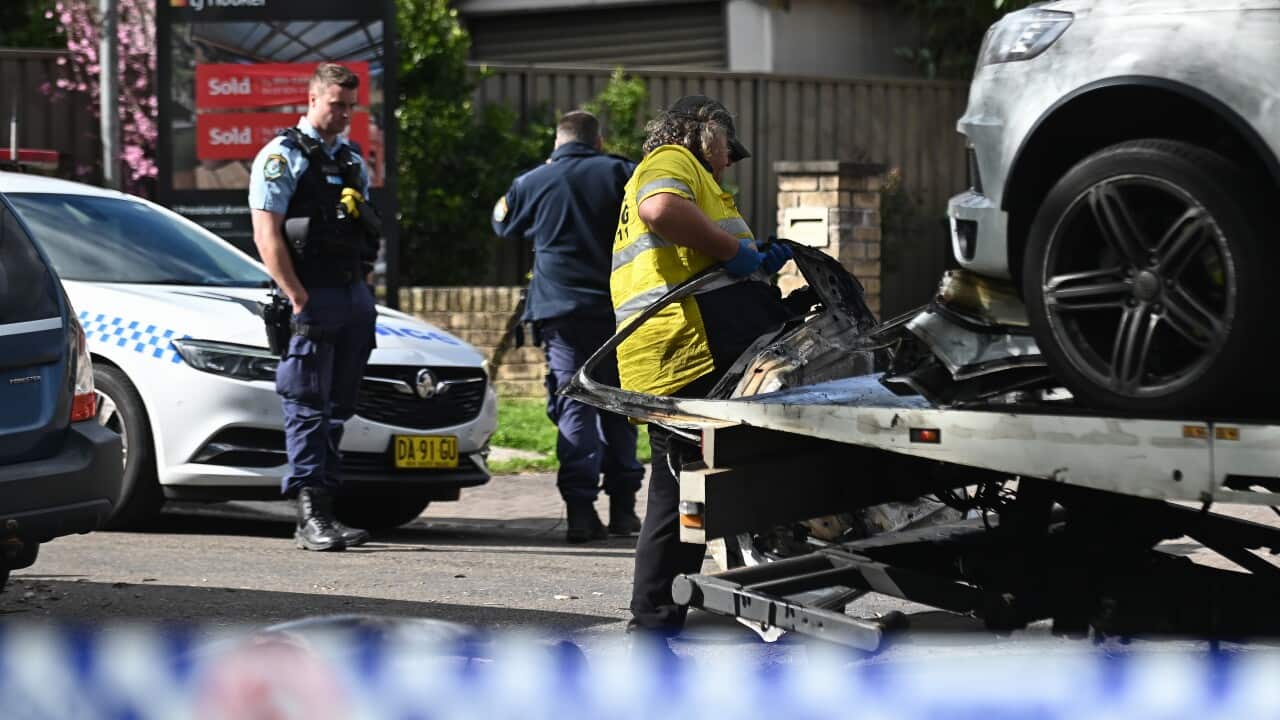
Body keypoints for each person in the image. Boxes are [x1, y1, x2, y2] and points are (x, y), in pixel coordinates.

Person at [610, 95, 793, 635]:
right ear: (706, 131)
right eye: (728, 149)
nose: (730, 161)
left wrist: (752, 257)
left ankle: (670, 611)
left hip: (686, 345)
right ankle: (654, 619)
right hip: (686, 345)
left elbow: (700, 254)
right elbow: (661, 210)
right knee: (682, 481)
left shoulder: (698, 180)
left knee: (696, 479)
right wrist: (735, 254)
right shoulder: (672, 159)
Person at [492, 110, 646, 543]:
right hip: (619, 311)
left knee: (575, 404)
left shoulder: (533, 181)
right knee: (619, 405)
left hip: (559, 314)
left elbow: (502, 223)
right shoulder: (621, 172)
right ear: (598, 141)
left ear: (557, 143)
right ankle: (623, 511)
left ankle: (580, 513)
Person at [249, 63, 380, 552]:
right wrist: (296, 296)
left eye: (350, 106)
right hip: (311, 296)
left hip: (350, 296)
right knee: (305, 404)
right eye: (335, 105)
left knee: (338, 408)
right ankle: (309, 514)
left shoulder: (351, 161)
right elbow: (266, 233)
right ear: (312, 100)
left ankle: (327, 508)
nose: (343, 115)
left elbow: (365, 234)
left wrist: (362, 289)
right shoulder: (282, 156)